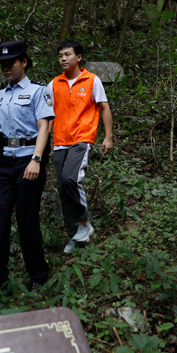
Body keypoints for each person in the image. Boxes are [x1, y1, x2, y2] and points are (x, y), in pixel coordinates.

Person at [0, 40, 54, 294]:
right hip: (3, 164)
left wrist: (36, 158)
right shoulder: (0, 95)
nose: (6, 68)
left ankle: (38, 277)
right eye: (2, 64)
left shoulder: (38, 91)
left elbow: (44, 126)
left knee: (26, 220)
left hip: (27, 161)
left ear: (23, 62)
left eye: (10, 63)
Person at [48, 40, 113, 254]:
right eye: (60, 55)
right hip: (59, 142)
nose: (63, 59)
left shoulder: (92, 81)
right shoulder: (54, 84)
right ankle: (75, 236)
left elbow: (104, 108)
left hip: (82, 138)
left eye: (67, 54)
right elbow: (48, 115)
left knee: (70, 178)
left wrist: (108, 137)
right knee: (63, 189)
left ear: (79, 57)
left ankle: (84, 222)